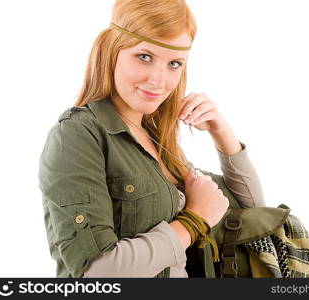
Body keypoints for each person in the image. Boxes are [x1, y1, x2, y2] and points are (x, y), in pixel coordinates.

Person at [38, 0, 268, 278]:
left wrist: (222, 132)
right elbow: (98, 274)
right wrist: (195, 220)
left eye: (174, 64)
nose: (159, 81)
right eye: (144, 56)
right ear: (113, 51)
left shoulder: (160, 143)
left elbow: (252, 211)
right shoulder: (78, 135)